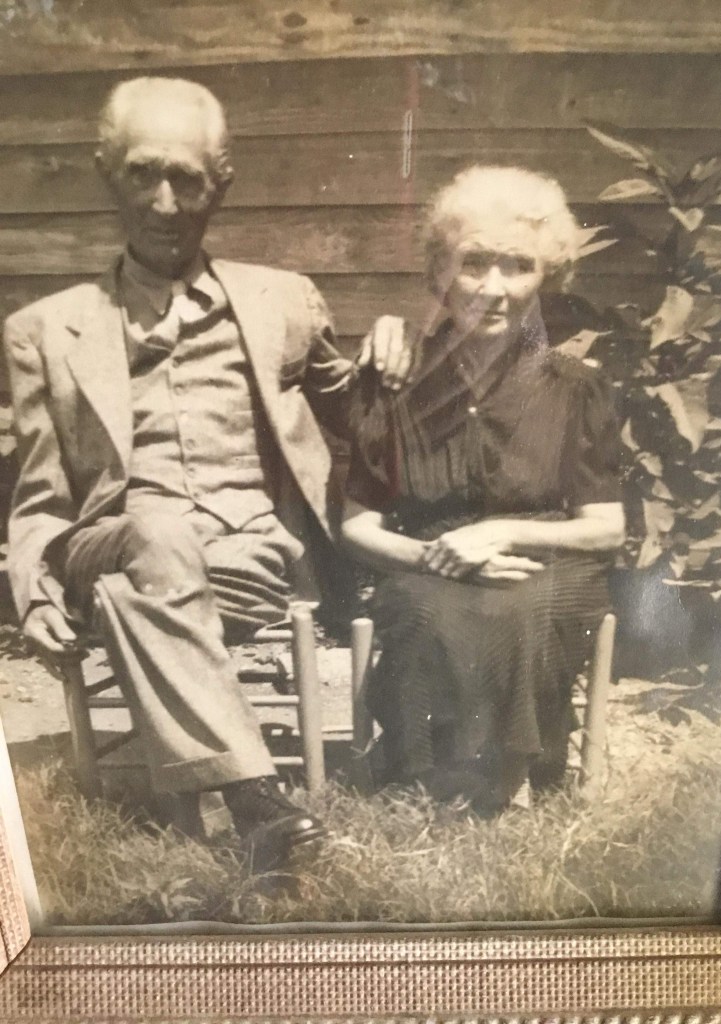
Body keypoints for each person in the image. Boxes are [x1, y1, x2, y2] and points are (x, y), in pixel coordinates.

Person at [3, 76, 407, 870]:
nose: (163, 202)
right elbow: (40, 496)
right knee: (153, 538)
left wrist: (391, 349)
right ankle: (256, 795)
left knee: (134, 594)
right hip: (111, 538)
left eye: (186, 177)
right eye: (142, 173)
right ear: (107, 174)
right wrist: (35, 587)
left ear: (220, 185)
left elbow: (360, 418)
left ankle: (211, 784)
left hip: (251, 555)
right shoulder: (43, 331)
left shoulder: (282, 300)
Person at [342, 166, 626, 817]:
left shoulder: (576, 386)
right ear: (441, 271)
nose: (493, 289)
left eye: (518, 266)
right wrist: (434, 555)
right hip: (424, 565)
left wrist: (500, 532)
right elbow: (356, 525)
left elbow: (605, 528)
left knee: (521, 610)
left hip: (545, 559)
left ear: (547, 277)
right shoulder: (395, 381)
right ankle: (437, 774)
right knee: (425, 611)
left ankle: (500, 777)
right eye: (473, 264)